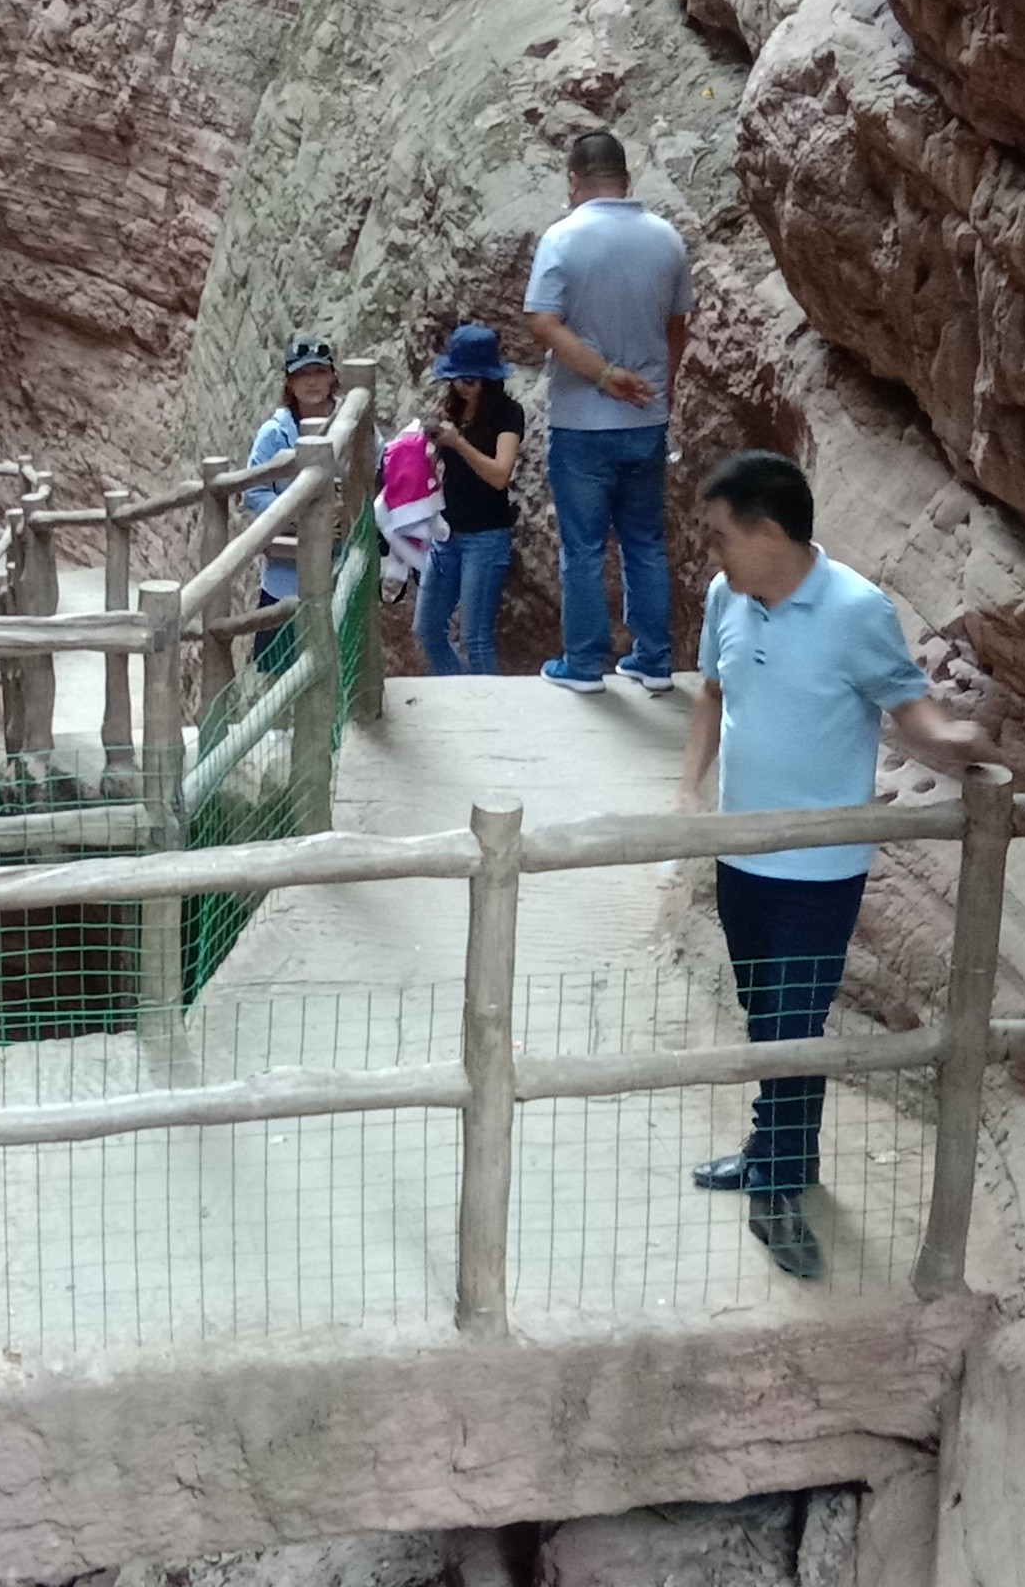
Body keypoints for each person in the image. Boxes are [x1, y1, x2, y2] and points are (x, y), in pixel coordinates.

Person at [673, 448, 993, 1279]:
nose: (711, 553)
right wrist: (687, 795)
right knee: (765, 1019)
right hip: (742, 851)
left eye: (718, 535)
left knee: (793, 1028)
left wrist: (957, 743)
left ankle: (777, 1183)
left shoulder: (856, 610)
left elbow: (908, 709)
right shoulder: (727, 598)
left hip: (819, 870)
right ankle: (779, 1155)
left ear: (771, 531)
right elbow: (713, 692)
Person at [520, 127, 690, 693]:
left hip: (582, 422)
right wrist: (651, 385)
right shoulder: (667, 239)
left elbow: (543, 321)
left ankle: (585, 662)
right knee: (644, 541)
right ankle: (654, 659)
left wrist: (603, 376)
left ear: (574, 179)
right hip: (647, 419)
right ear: (626, 177)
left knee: (585, 547)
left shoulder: (563, 239)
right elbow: (676, 326)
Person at [413, 322, 526, 676]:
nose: (463, 387)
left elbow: (499, 474)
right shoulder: (452, 408)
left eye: (471, 380)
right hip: (447, 533)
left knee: (475, 638)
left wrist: (458, 443)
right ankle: (461, 691)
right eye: (458, 379)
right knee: (428, 630)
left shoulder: (508, 414)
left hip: (486, 536)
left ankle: (484, 712)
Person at [240, 334, 342, 673]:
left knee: (335, 663)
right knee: (278, 669)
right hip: (285, 576)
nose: (312, 381)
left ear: (332, 375)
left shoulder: (352, 425)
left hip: (338, 566)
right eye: (302, 374)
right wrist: (299, 513)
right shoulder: (274, 434)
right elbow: (253, 492)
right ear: (289, 381)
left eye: (318, 372)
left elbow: (374, 476)